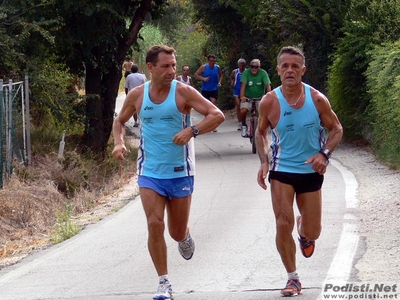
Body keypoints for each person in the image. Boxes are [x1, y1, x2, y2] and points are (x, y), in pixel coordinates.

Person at [112, 45, 225, 300]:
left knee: (175, 232)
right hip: (149, 171)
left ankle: (184, 235)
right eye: (165, 66)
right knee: (154, 223)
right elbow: (119, 120)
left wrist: (192, 131)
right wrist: (118, 143)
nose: (171, 71)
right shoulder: (138, 96)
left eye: (173, 65)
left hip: (180, 171)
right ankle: (164, 282)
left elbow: (216, 115)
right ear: (150, 68)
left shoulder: (183, 92)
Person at [255, 46, 343, 297]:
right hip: (282, 171)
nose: (290, 70)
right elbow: (260, 132)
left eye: (295, 66)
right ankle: (292, 278)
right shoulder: (269, 101)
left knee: (313, 231)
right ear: (278, 70)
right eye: (285, 66)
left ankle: (305, 229)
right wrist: (264, 161)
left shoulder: (317, 99)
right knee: (283, 224)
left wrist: (324, 154)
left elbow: (336, 128)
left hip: (311, 172)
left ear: (303, 70)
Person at [239, 59, 271, 137]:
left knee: (264, 112)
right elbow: (243, 86)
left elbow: (268, 86)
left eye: (256, 67)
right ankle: (243, 126)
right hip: (247, 97)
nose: (254, 69)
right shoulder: (246, 73)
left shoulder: (263, 73)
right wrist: (242, 96)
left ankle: (262, 128)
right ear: (250, 67)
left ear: (259, 67)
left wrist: (268, 96)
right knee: (243, 110)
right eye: (252, 66)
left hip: (260, 98)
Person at [194, 54, 223, 132]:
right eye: (211, 61)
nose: (212, 62)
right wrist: (203, 78)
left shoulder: (217, 67)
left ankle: (213, 125)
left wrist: (219, 82)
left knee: (213, 106)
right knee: (207, 108)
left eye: (214, 61)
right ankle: (209, 123)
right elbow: (196, 75)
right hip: (205, 89)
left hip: (214, 89)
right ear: (208, 61)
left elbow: (221, 75)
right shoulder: (204, 67)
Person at [230, 58, 246, 130]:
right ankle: (240, 123)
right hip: (236, 91)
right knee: (238, 106)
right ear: (238, 65)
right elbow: (231, 77)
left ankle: (243, 122)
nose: (241, 67)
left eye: (243, 65)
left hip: (245, 92)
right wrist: (232, 82)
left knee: (244, 107)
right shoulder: (235, 71)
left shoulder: (247, 72)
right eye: (240, 65)